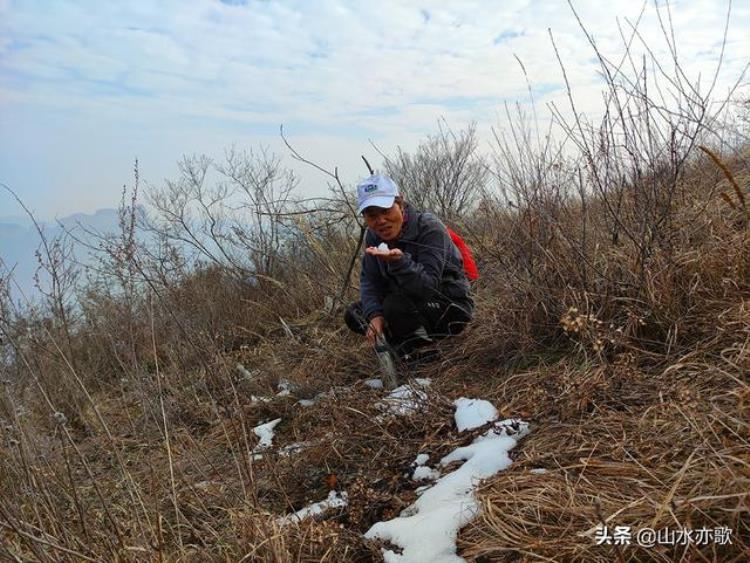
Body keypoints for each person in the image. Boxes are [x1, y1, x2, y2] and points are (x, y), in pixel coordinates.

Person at [344, 174, 474, 358]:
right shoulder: (374, 236)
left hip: (449, 305)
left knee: (394, 305)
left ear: (400, 204)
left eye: (386, 210)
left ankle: (423, 348)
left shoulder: (430, 228)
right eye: (372, 215)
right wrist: (374, 315)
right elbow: (370, 281)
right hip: (407, 303)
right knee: (355, 313)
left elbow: (428, 287)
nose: (380, 221)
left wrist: (399, 262)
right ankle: (403, 341)